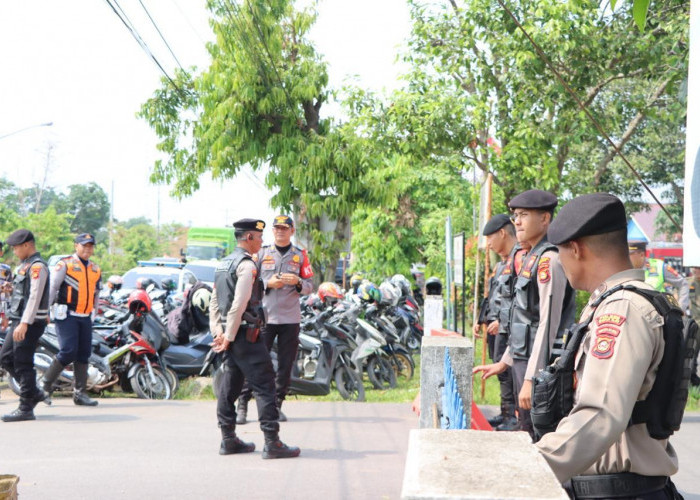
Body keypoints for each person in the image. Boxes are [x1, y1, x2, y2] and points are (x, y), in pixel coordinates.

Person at [533, 193, 683, 499]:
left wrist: (531, 465)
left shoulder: (622, 309)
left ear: (575, 249)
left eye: (560, 254)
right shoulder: (617, 302)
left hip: (621, 491)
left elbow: (601, 414)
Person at [473, 190, 576, 439]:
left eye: (524, 215)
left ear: (545, 219)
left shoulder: (548, 260)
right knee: (527, 430)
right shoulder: (529, 256)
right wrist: (505, 362)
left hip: (541, 368)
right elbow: (523, 319)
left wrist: (531, 378)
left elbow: (546, 324)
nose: (517, 221)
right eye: (515, 215)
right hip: (524, 362)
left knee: (540, 435)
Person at [209, 218, 300, 459]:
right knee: (265, 384)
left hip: (230, 335)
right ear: (249, 238)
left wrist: (217, 331)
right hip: (244, 335)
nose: (262, 241)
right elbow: (238, 304)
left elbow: (215, 302)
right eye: (259, 237)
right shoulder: (247, 266)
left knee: (230, 386)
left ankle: (228, 439)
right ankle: (272, 442)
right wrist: (227, 336)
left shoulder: (223, 264)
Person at [235, 215, 313, 425]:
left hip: (290, 317)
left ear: (292, 231)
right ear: (273, 231)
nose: (280, 231)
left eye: (284, 228)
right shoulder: (261, 253)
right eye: (277, 228)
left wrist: (297, 282)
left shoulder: (300, 255)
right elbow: (250, 281)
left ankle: (277, 405)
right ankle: (242, 404)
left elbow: (309, 285)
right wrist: (268, 283)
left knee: (285, 365)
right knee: (255, 362)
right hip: (265, 317)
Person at [473, 214, 522, 431]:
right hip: (497, 330)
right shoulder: (503, 264)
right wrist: (481, 319)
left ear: (502, 233)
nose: (489, 245)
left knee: (509, 373)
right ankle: (505, 413)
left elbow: (518, 301)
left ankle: (513, 417)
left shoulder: (520, 259)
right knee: (502, 373)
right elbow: (493, 295)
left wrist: (502, 322)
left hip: (510, 330)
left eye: (490, 238)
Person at [42, 233, 101, 406]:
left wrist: (95, 312)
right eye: (84, 245)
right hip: (66, 314)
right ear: (76, 245)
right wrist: (45, 310)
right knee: (68, 351)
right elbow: (52, 288)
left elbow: (97, 293)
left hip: (85, 316)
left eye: (90, 246)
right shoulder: (65, 265)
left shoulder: (95, 269)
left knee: (83, 354)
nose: (87, 249)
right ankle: (44, 386)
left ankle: (80, 393)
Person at [0, 229, 50, 422]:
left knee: (23, 362)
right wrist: (11, 290)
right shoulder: (25, 265)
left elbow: (35, 298)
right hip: (19, 320)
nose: (14, 251)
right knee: (5, 358)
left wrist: (24, 323)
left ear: (27, 245)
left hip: (29, 322)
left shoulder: (38, 267)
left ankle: (26, 407)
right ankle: (34, 392)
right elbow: (25, 294)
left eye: (16, 248)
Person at [629, 241, 689, 311]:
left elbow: (683, 283)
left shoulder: (659, 266)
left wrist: (681, 308)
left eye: (630, 254)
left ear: (642, 255)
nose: (626, 257)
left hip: (659, 315)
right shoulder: (625, 270)